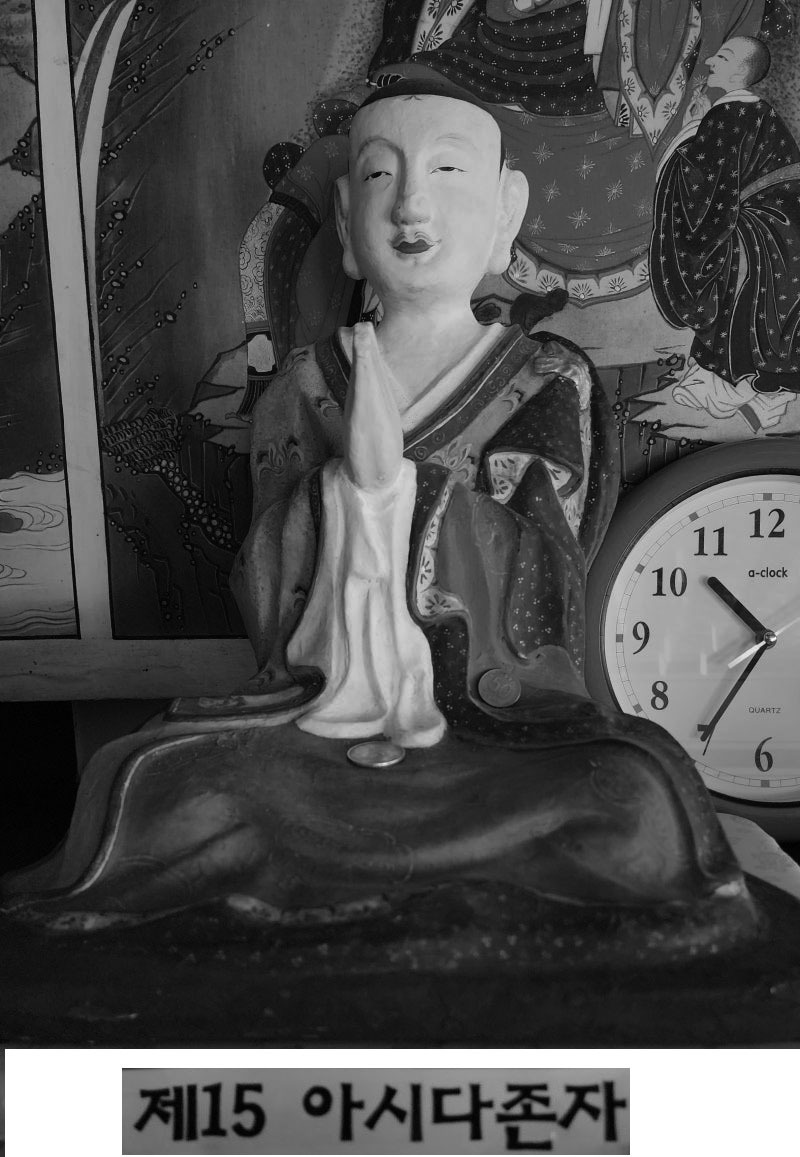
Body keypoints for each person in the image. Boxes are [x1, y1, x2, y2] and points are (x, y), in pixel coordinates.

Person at [2, 83, 757, 953]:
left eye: (447, 171)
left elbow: (544, 576)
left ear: (506, 211)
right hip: (318, 725)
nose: (412, 205)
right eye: (379, 175)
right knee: (147, 780)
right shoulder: (300, 386)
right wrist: (348, 496)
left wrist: (397, 492)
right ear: (345, 217)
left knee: (629, 795)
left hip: (491, 730)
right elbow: (267, 588)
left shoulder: (546, 380)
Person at [650, 37, 800, 431]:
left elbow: (703, 188)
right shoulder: (762, 111)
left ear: (741, 71)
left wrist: (691, 131)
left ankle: (730, 388)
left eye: (724, 56)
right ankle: (757, 390)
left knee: (731, 286)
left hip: (754, 233)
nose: (712, 61)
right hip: (782, 232)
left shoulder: (727, 114)